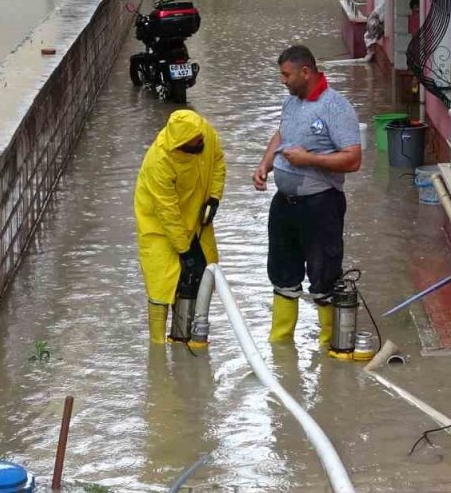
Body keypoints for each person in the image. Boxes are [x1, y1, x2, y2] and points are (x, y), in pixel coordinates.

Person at [252, 45, 362, 345]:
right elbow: (281, 134)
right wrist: (266, 163)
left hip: (321, 206)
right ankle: (280, 345)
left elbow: (353, 159)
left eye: (286, 75)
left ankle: (329, 346)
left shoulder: (335, 107)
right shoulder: (291, 102)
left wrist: (309, 159)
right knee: (282, 273)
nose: (282, 81)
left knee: (323, 276)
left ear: (305, 72)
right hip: (285, 205)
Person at [134, 110, 225, 345]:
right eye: (196, 143)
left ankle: (188, 336)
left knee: (202, 273)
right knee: (161, 282)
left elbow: (217, 161)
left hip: (196, 219)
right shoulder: (159, 161)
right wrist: (184, 251)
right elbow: (167, 212)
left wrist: (214, 198)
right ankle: (157, 346)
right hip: (160, 226)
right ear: (182, 144)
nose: (202, 142)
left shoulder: (204, 133)